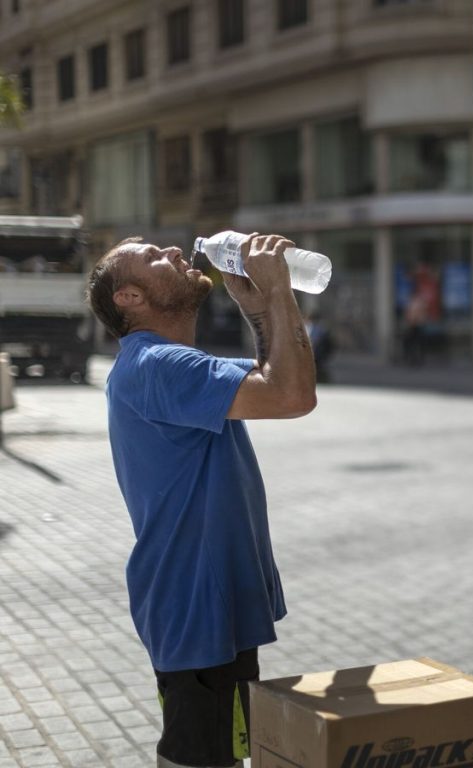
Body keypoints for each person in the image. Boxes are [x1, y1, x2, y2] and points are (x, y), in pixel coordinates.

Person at [86, 233, 317, 768]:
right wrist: (280, 292)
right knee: (198, 756)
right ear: (130, 298)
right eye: (152, 258)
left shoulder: (171, 364)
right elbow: (292, 396)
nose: (172, 252)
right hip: (193, 599)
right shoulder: (158, 365)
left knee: (225, 750)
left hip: (208, 595)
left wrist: (258, 308)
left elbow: (274, 380)